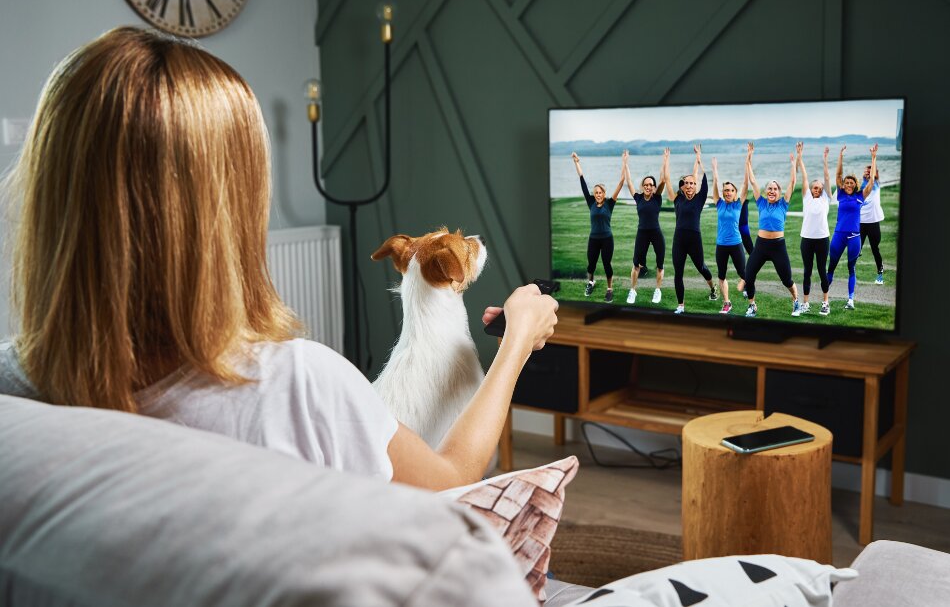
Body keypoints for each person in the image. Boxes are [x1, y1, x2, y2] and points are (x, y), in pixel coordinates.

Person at [0, 26, 558, 493]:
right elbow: (449, 479)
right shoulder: (298, 387)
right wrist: (516, 342)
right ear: (230, 209)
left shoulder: (11, 386)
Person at [743, 142, 801, 318]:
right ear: (766, 190)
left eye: (775, 189)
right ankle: (752, 306)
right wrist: (749, 156)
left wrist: (794, 163)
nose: (772, 191)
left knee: (787, 280)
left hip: (778, 246)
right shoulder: (760, 202)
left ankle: (796, 301)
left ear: (779, 192)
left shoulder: (783, 204)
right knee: (749, 275)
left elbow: (792, 181)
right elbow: (752, 180)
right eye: (769, 188)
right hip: (761, 245)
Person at [661, 144, 716, 314]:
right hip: (679, 240)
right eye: (688, 183)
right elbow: (667, 179)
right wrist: (666, 160)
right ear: (683, 186)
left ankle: (713, 288)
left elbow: (704, 178)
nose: (691, 185)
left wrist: (699, 159)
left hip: (694, 240)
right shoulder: (677, 199)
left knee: (701, 267)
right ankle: (681, 305)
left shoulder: (699, 199)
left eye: (693, 183)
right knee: (678, 272)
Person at [828, 144, 879, 309]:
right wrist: (840, 156)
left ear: (855, 184)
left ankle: (850, 300)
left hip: (854, 237)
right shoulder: (841, 194)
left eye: (851, 182)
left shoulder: (860, 196)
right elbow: (838, 174)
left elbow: (871, 181)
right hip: (838, 235)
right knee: (831, 267)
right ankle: (825, 299)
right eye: (846, 182)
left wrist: (873, 157)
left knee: (852, 268)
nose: (848, 184)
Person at [572, 151, 624, 303]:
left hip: (607, 239)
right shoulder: (591, 203)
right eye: (596, 193)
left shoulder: (609, 203)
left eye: (600, 192)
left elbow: (621, 184)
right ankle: (590, 282)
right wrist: (577, 162)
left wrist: (624, 163)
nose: (598, 194)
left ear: (604, 193)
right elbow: (582, 182)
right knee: (591, 264)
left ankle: (609, 289)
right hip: (593, 239)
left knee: (607, 264)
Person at [621, 149, 665, 305]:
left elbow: (663, 180)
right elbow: (629, 181)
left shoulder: (657, 198)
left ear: (653, 187)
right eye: (646, 184)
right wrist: (625, 162)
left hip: (656, 233)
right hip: (642, 233)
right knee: (636, 264)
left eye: (651, 185)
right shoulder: (638, 197)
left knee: (660, 264)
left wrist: (665, 159)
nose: (648, 186)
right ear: (643, 186)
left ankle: (657, 290)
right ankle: (632, 290)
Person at [710, 154, 748, 314]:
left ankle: (745, 286)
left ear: (735, 192)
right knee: (721, 275)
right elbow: (715, 184)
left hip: (736, 243)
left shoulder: (738, 204)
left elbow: (746, 184)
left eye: (731, 190)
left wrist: (748, 161)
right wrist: (715, 170)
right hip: (721, 245)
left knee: (744, 273)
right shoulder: (719, 203)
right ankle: (727, 302)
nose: (727, 192)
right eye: (725, 190)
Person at [797, 144, 832, 316]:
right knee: (807, 272)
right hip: (807, 240)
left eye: (819, 187)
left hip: (822, 239)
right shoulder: (806, 198)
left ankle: (825, 303)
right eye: (814, 187)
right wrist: (800, 156)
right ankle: (806, 303)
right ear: (810, 190)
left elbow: (826, 176)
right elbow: (804, 176)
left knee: (821, 270)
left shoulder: (826, 198)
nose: (816, 189)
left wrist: (825, 159)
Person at [860, 159, 885, 285]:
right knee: (856, 248)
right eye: (865, 172)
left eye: (869, 172)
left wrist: (874, 157)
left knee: (875, 248)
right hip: (861, 222)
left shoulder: (875, 184)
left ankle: (880, 273)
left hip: (873, 221)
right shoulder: (861, 184)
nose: (867, 173)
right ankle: (851, 275)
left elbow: (872, 175)